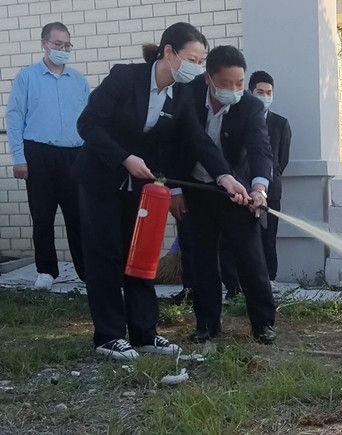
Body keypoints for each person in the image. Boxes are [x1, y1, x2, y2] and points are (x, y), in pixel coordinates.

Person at [72, 23, 250, 360]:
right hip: (100, 179)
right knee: (106, 255)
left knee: (141, 254)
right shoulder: (125, 78)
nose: (198, 68)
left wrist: (225, 177)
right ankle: (109, 336)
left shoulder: (182, 94)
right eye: (193, 60)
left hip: (140, 187)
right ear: (169, 52)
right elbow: (88, 124)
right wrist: (124, 158)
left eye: (201, 61)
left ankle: (145, 333)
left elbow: (198, 140)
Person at [170, 46, 277, 345]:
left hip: (238, 193)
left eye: (239, 83)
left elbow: (260, 150)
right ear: (208, 79)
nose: (234, 90)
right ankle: (207, 324)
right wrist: (175, 190)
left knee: (251, 259)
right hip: (196, 190)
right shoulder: (187, 96)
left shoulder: (251, 107)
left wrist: (259, 188)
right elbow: (173, 145)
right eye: (226, 84)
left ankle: (263, 324)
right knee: (201, 259)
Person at [6, 22, 89, 290]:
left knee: (78, 216)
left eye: (67, 45)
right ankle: (46, 271)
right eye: (57, 44)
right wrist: (19, 157)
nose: (62, 49)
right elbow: (14, 117)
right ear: (44, 43)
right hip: (38, 152)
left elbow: (88, 121)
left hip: (74, 154)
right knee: (42, 215)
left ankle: (86, 271)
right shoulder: (27, 77)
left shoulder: (78, 80)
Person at [220, 71, 292, 298]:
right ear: (250, 93)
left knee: (268, 238)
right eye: (260, 92)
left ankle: (269, 281)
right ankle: (233, 286)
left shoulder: (280, 124)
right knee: (232, 239)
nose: (265, 96)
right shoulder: (237, 117)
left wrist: (264, 185)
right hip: (239, 189)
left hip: (270, 191)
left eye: (269, 92)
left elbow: (281, 159)